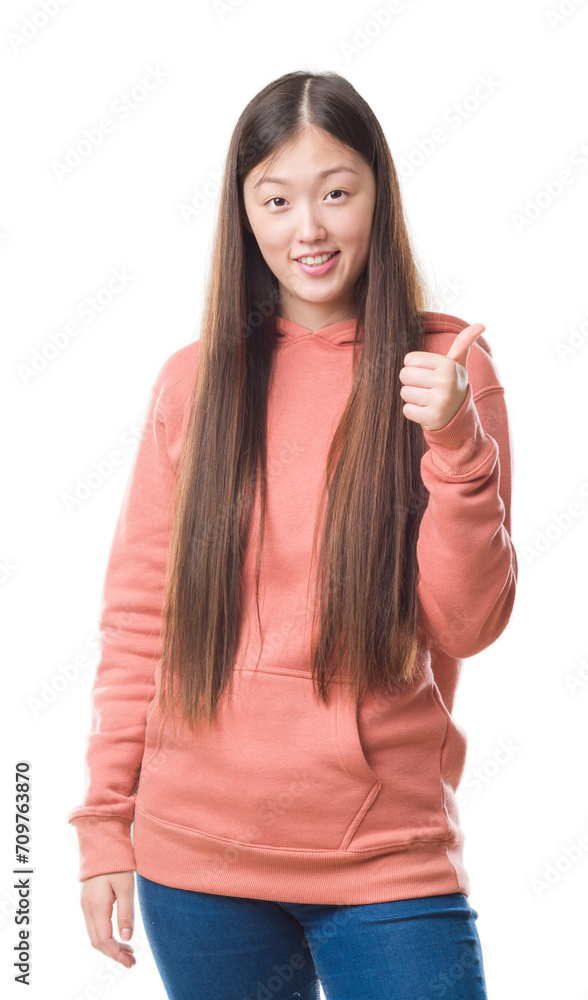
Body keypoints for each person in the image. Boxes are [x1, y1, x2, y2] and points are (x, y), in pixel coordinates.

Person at [67, 70, 517, 999]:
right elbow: (138, 617)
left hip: (385, 858)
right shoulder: (194, 382)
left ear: (377, 197)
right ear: (245, 215)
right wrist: (103, 824)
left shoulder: (445, 368)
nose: (307, 228)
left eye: (336, 192)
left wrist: (456, 447)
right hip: (196, 866)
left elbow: (468, 623)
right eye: (277, 200)